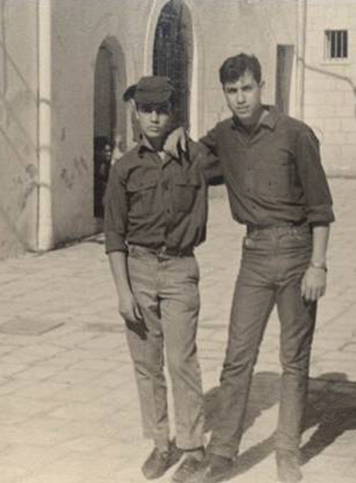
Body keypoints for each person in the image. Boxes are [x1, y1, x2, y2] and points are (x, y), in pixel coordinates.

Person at [176, 53, 336, 483]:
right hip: (254, 255)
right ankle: (222, 455)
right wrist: (170, 137)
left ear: (262, 87)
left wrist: (318, 265)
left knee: (293, 360)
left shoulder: (296, 134)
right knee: (237, 358)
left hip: (298, 251)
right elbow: (191, 157)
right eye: (232, 91)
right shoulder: (223, 136)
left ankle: (288, 454)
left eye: (247, 88)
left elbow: (321, 207)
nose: (240, 98)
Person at [104, 76, 210, 483]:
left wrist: (187, 135)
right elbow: (114, 235)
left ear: (172, 113)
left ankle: (193, 448)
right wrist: (123, 292)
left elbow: (229, 147)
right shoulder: (124, 169)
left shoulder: (193, 157)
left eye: (162, 110)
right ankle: (162, 444)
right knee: (147, 364)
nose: (154, 118)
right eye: (147, 110)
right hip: (140, 270)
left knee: (181, 359)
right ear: (136, 114)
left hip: (180, 269)